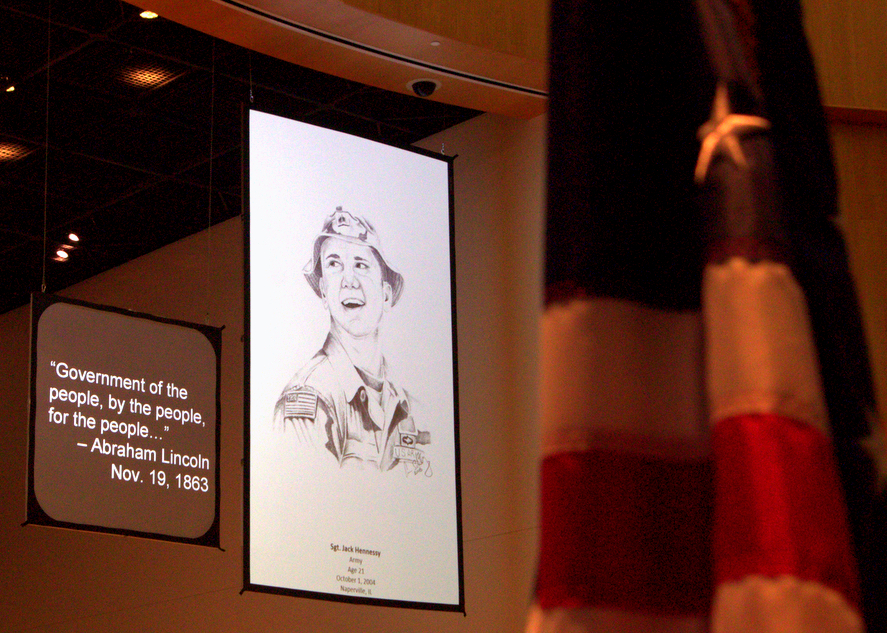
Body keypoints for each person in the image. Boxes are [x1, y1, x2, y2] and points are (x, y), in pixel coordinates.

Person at [273, 207, 431, 474]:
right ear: (324, 292)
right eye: (334, 264)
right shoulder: (308, 399)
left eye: (361, 264)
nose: (348, 281)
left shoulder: (412, 409)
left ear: (386, 295)